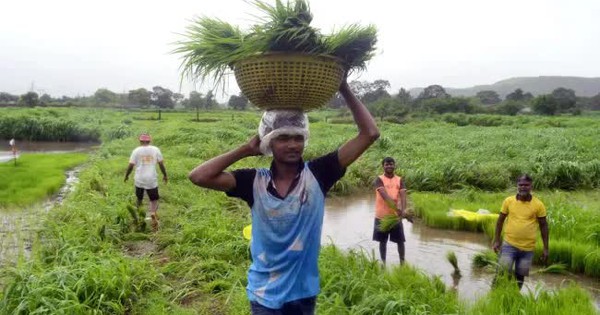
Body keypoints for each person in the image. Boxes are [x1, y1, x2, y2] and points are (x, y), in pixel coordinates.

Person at [188, 79, 379, 315]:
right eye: (282, 138)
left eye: (298, 137)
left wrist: (344, 87)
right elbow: (198, 176)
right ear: (268, 141)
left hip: (303, 294)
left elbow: (370, 133)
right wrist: (246, 149)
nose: (292, 145)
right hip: (263, 293)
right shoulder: (253, 182)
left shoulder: (319, 174)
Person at [493, 174, 549, 289]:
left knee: (520, 276)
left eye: (526, 185)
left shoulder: (538, 205)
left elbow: (544, 226)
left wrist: (545, 248)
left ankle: (514, 296)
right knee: (501, 272)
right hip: (509, 245)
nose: (523, 187)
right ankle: (494, 295)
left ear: (531, 186)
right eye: (521, 184)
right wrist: (496, 240)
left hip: (527, 249)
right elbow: (500, 221)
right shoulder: (508, 201)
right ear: (517, 186)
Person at [124, 133, 168, 231]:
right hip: (151, 178)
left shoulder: (136, 151)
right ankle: (153, 212)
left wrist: (126, 175)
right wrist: (165, 175)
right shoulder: (156, 149)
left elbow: (131, 165)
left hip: (139, 178)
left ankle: (140, 215)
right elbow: (161, 164)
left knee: (139, 198)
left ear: (140, 141)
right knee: (154, 199)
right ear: (149, 141)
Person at [373, 157, 408, 265]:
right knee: (383, 242)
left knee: (400, 241)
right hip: (381, 216)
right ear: (383, 166)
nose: (389, 166)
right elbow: (384, 196)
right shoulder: (379, 179)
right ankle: (383, 263)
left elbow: (403, 196)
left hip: (395, 217)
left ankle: (402, 263)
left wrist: (403, 211)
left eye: (391, 164)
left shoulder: (399, 179)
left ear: (394, 165)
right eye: (386, 164)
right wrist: (397, 210)